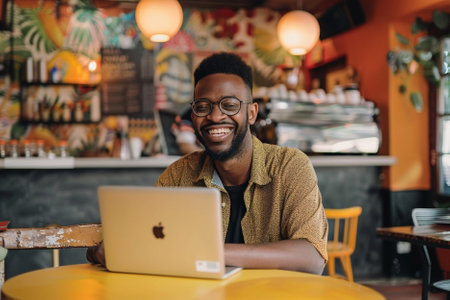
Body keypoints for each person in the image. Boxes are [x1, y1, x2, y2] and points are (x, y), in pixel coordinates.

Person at [87, 52, 328, 274]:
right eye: (203, 107)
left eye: (230, 105)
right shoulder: (177, 177)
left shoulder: (289, 167)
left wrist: (212, 253)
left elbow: (312, 256)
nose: (214, 116)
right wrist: (111, 250)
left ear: (252, 113)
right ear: (193, 116)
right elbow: (155, 244)